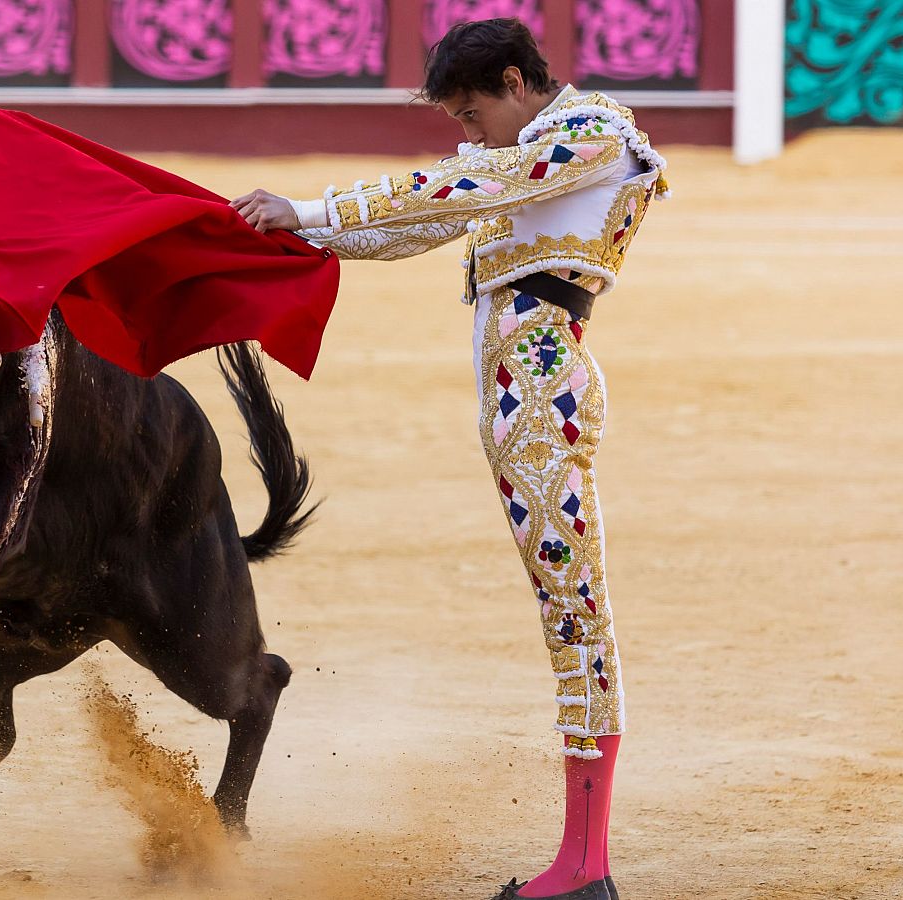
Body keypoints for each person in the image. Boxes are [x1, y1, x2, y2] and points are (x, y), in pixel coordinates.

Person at [232, 17, 668, 900]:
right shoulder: (535, 153)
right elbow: (419, 224)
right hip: (526, 406)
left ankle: (586, 870)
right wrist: (297, 233)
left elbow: (467, 182)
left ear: (517, 80)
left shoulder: (590, 134)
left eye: (470, 111)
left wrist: (311, 211)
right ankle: (584, 865)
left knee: (574, 613)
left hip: (542, 403)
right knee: (568, 609)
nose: (467, 132)